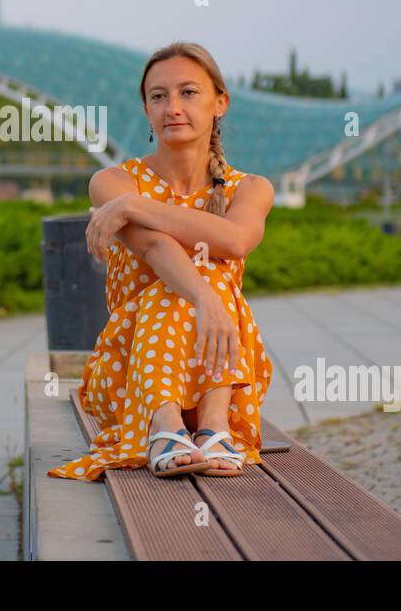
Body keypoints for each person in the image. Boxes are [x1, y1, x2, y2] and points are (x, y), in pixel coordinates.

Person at [47, 41, 275, 482]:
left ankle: (212, 425)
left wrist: (138, 206)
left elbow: (236, 240)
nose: (173, 107)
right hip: (133, 372)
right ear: (146, 109)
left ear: (220, 102)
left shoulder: (249, 189)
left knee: (211, 261)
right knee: (194, 273)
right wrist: (204, 297)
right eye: (159, 96)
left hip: (221, 368)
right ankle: (170, 425)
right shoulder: (113, 182)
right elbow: (156, 249)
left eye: (189, 92)